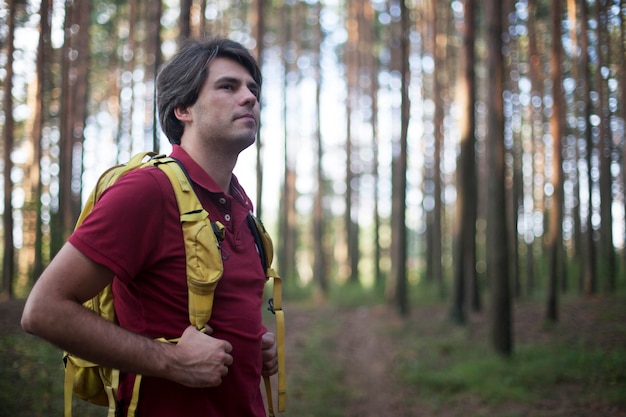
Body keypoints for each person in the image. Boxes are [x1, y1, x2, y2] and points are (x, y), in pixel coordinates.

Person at [21, 37, 278, 417]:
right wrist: (172, 361)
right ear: (182, 108)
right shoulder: (149, 191)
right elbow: (43, 310)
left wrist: (252, 347)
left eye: (253, 89)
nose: (250, 97)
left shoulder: (243, 210)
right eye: (228, 86)